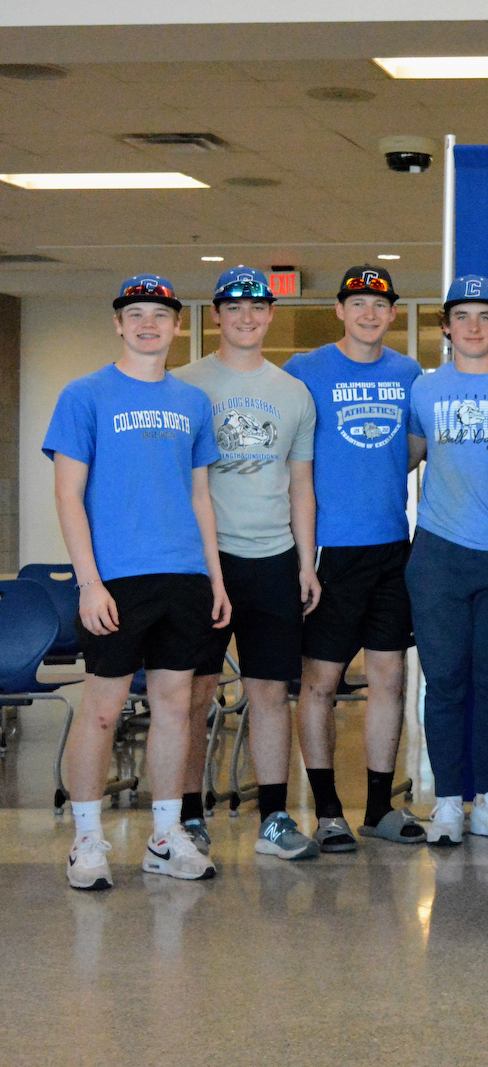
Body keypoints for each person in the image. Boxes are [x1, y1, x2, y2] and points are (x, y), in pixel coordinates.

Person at [46, 275, 228, 889]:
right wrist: (88, 583)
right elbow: (68, 495)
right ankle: (87, 841)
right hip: (117, 580)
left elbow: (200, 496)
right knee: (102, 712)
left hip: (185, 576)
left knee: (175, 709)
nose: (148, 324)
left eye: (160, 314)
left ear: (177, 325)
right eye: (136, 314)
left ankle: (165, 836)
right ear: (118, 324)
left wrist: (215, 578)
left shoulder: (193, 402)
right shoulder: (84, 395)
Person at [173, 266, 320, 861]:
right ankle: (186, 816)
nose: (246, 317)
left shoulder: (293, 392)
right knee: (193, 694)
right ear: (216, 315)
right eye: (234, 307)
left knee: (269, 693)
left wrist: (306, 563)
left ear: (270, 315)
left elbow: (301, 484)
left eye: (257, 307)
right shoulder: (184, 386)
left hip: (273, 560)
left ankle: (274, 819)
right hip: (201, 564)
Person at [284, 265, 427, 851]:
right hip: (329, 551)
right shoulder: (305, 370)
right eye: (358, 303)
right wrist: (302, 557)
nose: (370, 313)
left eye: (380, 304)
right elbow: (290, 458)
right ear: (339, 310)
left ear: (392, 313)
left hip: (392, 546)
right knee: (320, 681)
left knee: (389, 679)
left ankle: (377, 809)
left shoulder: (407, 372)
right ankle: (327, 812)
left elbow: (413, 448)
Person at [406, 276, 488, 847]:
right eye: (462, 316)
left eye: (485, 316)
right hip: (438, 552)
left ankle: (486, 798)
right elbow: (407, 457)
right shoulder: (424, 389)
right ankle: (446, 802)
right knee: (444, 682)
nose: (474, 326)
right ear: (446, 326)